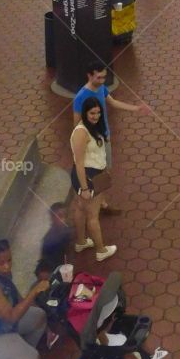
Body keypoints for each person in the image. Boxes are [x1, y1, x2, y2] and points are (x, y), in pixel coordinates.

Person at [72, 62, 151, 215]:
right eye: (99, 77)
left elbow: (113, 103)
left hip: (104, 138)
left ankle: (101, 203)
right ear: (89, 75)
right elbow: (76, 124)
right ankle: (94, 205)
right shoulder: (80, 97)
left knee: (104, 171)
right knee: (94, 172)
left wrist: (136, 108)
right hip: (91, 143)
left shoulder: (101, 88)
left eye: (104, 77)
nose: (102, 80)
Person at [70, 96, 118, 263]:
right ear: (85, 112)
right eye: (92, 113)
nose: (96, 116)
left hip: (90, 175)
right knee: (92, 215)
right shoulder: (81, 132)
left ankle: (81, 242)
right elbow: (79, 163)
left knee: (80, 208)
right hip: (89, 177)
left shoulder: (91, 127)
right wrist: (84, 188)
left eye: (98, 112)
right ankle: (101, 250)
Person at [34, 202, 72, 279]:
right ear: (52, 218)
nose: (63, 219)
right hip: (54, 271)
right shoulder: (49, 240)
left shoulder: (66, 230)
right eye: (60, 216)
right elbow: (43, 266)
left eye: (65, 215)